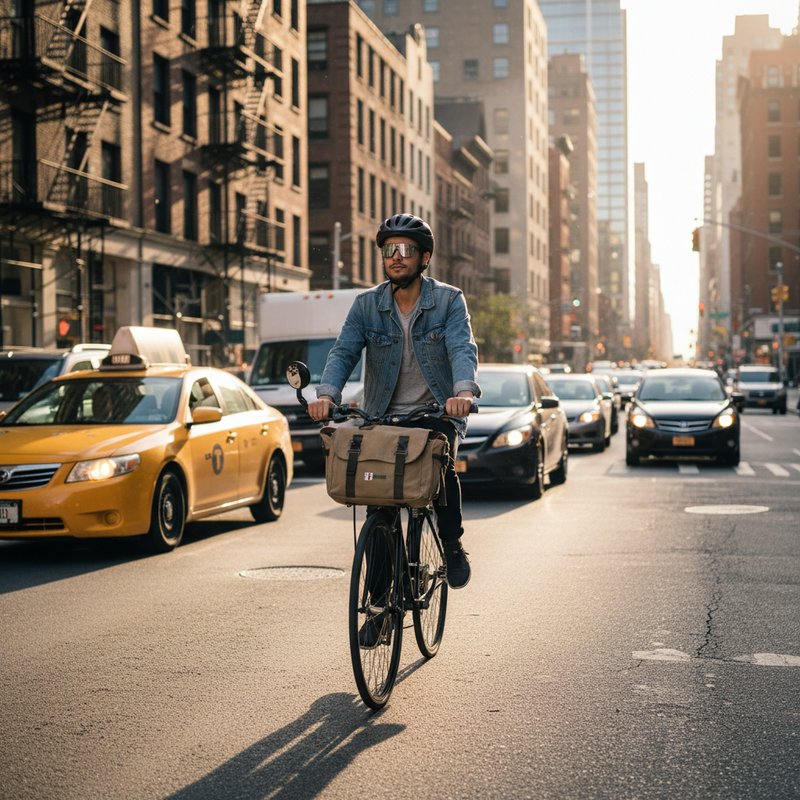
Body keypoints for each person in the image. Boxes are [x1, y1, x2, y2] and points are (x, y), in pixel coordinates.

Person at [308, 213, 481, 589]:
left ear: (424, 258)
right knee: (377, 499)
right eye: (389, 250)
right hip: (382, 415)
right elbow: (343, 352)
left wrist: (463, 393)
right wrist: (326, 395)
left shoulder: (449, 301)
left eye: (405, 250)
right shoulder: (366, 305)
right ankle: (378, 602)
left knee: (442, 469)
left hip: (435, 410)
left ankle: (452, 544)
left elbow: (461, 347)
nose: (396, 257)